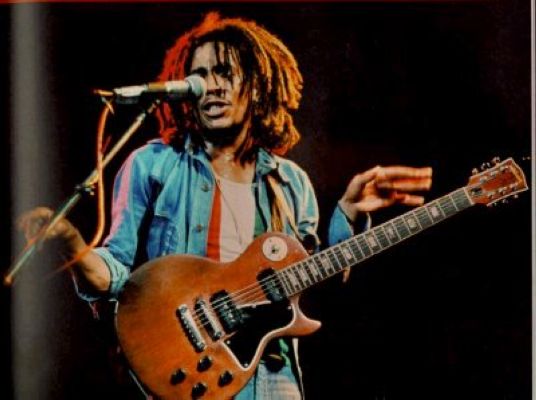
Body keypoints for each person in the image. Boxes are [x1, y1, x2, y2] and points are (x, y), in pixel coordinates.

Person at [19, 12, 432, 400]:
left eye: (224, 73)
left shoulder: (291, 183)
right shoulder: (153, 165)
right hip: (191, 371)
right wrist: (74, 248)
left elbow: (311, 282)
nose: (210, 86)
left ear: (258, 85)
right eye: (199, 75)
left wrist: (348, 214)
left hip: (272, 375)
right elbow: (117, 274)